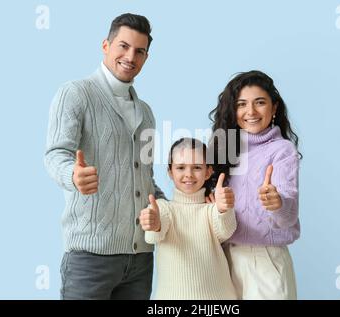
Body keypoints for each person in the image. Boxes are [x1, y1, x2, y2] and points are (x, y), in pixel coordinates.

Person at [44, 13, 165, 300]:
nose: (130, 56)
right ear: (105, 45)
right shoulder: (75, 93)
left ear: (146, 57)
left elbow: (145, 178)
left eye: (139, 51)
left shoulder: (146, 112)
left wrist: (179, 210)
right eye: (123, 46)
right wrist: (73, 175)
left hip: (141, 259)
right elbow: (55, 154)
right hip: (90, 258)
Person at [208, 70, 301, 300]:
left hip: (265, 262)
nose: (250, 112)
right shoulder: (223, 148)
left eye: (260, 102)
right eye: (241, 104)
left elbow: (288, 216)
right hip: (224, 261)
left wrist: (277, 202)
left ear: (274, 108)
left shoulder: (282, 151)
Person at [140, 138, 237, 299]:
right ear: (170, 172)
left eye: (197, 167)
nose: (188, 174)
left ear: (208, 172)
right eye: (180, 167)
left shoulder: (212, 209)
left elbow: (226, 230)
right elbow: (152, 235)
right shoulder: (163, 208)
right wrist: (153, 224)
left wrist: (223, 209)